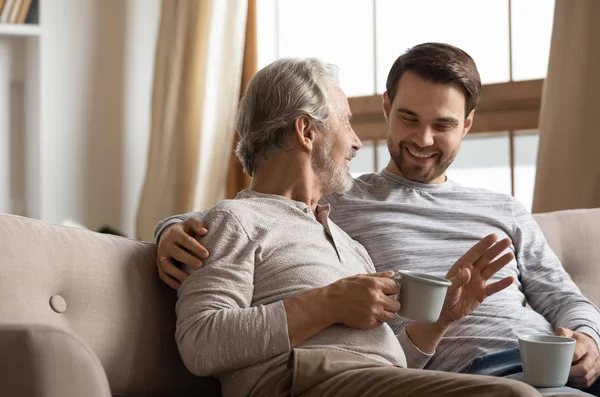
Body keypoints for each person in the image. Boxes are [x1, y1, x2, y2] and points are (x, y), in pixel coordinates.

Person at [158, 44, 600, 396]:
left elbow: (397, 357)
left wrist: (445, 316)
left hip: (506, 365)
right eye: (408, 118)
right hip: (361, 375)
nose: (355, 140)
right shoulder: (335, 203)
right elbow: (234, 223)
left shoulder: (346, 238)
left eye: (442, 125)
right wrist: (169, 230)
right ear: (307, 131)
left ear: (466, 125)